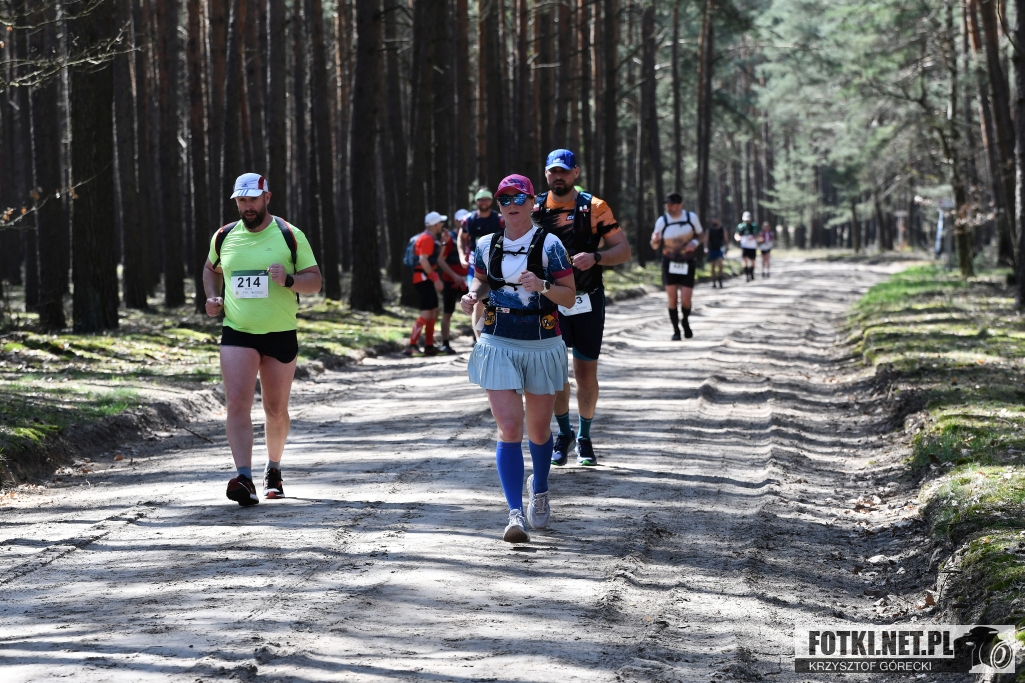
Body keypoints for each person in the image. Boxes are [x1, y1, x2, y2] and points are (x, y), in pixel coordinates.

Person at [460, 174, 577, 543]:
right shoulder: (486, 244)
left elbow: (569, 297)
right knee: (509, 428)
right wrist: (472, 295)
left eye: (518, 198)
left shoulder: (551, 245)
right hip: (497, 340)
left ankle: (539, 488)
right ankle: (514, 513)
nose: (511, 205)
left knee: (538, 432)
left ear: (532, 203)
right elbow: (481, 280)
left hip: (541, 342)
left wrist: (542, 286)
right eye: (504, 199)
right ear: (498, 206)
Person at [203, 173, 322, 506]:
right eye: (241, 200)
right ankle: (244, 477)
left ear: (266, 197)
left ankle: (274, 468)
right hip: (238, 331)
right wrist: (212, 297)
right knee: (237, 403)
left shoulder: (289, 234)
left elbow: (315, 282)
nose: (247, 206)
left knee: (275, 409)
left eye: (252, 199)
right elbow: (211, 269)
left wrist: (289, 280)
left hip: (280, 332)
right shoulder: (224, 236)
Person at [532, 149, 631, 467]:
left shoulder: (595, 207)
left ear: (576, 173)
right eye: (552, 171)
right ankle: (564, 433)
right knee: (555, 372)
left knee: (585, 374)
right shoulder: (535, 208)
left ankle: (585, 437)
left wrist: (596, 257)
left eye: (564, 171)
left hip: (587, 299)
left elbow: (623, 250)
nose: (558, 176)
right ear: (546, 174)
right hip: (549, 301)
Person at [649, 192, 704, 340]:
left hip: (687, 262)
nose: (669, 207)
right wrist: (654, 240)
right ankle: (676, 330)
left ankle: (685, 320)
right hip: (669, 263)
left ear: (680, 205)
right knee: (672, 298)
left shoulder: (691, 218)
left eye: (672, 205)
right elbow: (654, 245)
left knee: (686, 298)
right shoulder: (662, 221)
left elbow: (701, 235)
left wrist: (695, 243)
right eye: (668, 205)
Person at [458, 188, 504, 339]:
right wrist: (461, 256)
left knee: (494, 301)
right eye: (481, 199)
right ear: (476, 201)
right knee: (476, 300)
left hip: (496, 265)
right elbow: (461, 237)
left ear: (491, 201)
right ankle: (479, 340)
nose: (484, 202)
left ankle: (491, 335)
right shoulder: (469, 219)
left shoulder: (499, 220)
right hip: (474, 265)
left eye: (486, 199)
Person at [404, 211, 448, 357]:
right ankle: (411, 345)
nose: (442, 225)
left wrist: (444, 243)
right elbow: (423, 260)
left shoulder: (431, 238)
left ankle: (429, 346)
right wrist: (435, 279)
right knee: (426, 313)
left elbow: (436, 259)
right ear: (435, 225)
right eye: (440, 222)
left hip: (426, 279)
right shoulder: (426, 239)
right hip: (423, 279)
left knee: (434, 311)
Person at [438, 224, 469, 354]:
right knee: (447, 312)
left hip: (468, 280)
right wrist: (454, 276)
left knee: (478, 308)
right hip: (451, 281)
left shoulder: (473, 238)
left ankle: (479, 339)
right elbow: (441, 260)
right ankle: (445, 343)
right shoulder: (449, 239)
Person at [735, 211, 759, 282]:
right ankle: (746, 275)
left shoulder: (754, 225)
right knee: (744, 260)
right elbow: (737, 234)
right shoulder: (740, 226)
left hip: (752, 246)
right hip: (744, 246)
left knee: (752, 261)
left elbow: (758, 234)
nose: (747, 221)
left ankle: (751, 273)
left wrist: (754, 237)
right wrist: (738, 238)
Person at [706, 218, 727, 288]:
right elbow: (706, 240)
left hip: (720, 249)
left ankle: (720, 280)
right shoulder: (709, 230)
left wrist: (726, 248)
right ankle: (713, 281)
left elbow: (726, 238)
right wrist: (705, 248)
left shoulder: (722, 229)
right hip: (712, 249)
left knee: (720, 264)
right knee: (712, 266)